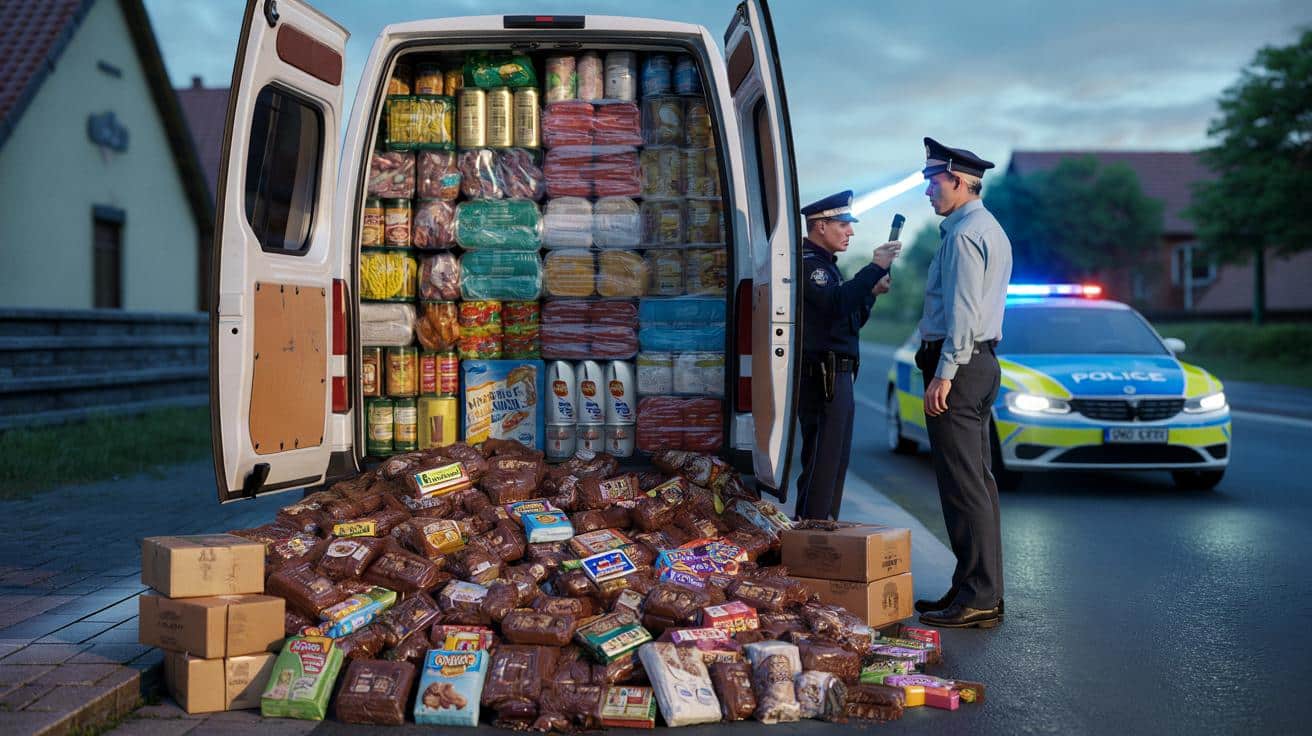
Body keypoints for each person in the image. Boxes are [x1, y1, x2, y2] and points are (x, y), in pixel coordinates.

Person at [912, 138, 1013, 628]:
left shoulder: (965, 234)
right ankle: (971, 587)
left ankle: (979, 597)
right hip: (979, 362)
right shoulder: (984, 228)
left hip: (962, 365)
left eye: (932, 182)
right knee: (976, 483)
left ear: (956, 178)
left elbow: (965, 311)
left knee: (965, 486)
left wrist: (944, 372)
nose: (928, 191)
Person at [795, 190, 901, 520]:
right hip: (823, 376)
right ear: (821, 226)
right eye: (843, 224)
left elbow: (849, 321)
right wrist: (873, 269)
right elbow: (836, 304)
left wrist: (869, 295)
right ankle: (811, 531)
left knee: (835, 458)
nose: (850, 232)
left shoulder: (829, 268)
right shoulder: (811, 266)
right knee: (822, 461)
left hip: (838, 374)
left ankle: (824, 526)